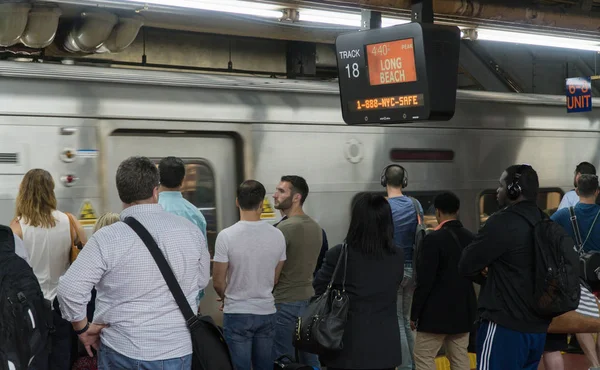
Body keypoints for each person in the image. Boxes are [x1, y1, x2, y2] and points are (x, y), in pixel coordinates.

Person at [57, 156, 210, 369]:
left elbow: (69, 290)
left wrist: (83, 330)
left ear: (121, 194)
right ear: (156, 191)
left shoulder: (107, 238)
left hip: (123, 350)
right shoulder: (191, 232)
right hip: (178, 349)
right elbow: (201, 281)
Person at [459, 164, 550, 370]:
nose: (497, 191)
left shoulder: (501, 222)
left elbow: (466, 263)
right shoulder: (545, 221)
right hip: (537, 329)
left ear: (513, 190)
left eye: (501, 185)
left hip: (504, 326)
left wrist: (487, 274)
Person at [313, 193, 403, 370]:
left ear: (356, 221)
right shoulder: (398, 255)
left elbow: (319, 289)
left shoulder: (339, 254)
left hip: (347, 348)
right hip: (386, 348)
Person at [10, 168, 87, 370]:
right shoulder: (70, 222)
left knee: (33, 360)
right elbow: (87, 260)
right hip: (62, 307)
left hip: (31, 309)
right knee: (62, 359)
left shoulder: (17, 228)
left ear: (24, 192)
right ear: (51, 191)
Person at [213, 180, 286, 370]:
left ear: (237, 202)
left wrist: (225, 298)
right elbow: (275, 279)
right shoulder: (277, 235)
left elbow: (218, 281)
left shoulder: (226, 236)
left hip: (237, 312)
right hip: (266, 312)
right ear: (262, 203)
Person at [411, 192, 476, 370]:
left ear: (438, 212)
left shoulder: (432, 239)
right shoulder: (470, 237)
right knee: (459, 357)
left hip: (435, 314)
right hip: (464, 310)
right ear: (457, 210)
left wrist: (414, 313)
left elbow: (425, 281)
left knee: (423, 356)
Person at [544, 174, 600, 369]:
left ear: (576, 192)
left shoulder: (561, 216)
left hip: (577, 278)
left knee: (582, 321)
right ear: (597, 191)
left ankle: (594, 364)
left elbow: (544, 235)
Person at [271, 175, 322, 367]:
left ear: (296, 197)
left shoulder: (283, 229)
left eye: (281, 191)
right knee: (309, 357)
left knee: (283, 359)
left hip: (284, 302)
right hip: (308, 301)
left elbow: (273, 274)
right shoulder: (315, 227)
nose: (275, 195)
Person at [381, 164, 423, 370]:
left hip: (392, 269)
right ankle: (413, 365)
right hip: (412, 269)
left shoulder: (383, 206)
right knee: (406, 321)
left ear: (384, 180)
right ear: (404, 181)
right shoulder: (416, 204)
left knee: (397, 320)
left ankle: (405, 367)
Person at [158, 156, 208, 307]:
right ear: (183, 180)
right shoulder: (195, 214)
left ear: (158, 178)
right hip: (189, 298)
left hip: (156, 297)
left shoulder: (151, 210)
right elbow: (202, 259)